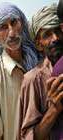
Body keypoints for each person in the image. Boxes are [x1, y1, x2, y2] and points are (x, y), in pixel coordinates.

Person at [0, 2, 39, 140]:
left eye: (14, 22)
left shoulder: (39, 61)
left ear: (22, 23)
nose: (12, 33)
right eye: (3, 27)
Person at [18, 3, 63, 140]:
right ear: (38, 44)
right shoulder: (32, 80)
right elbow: (29, 136)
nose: (55, 38)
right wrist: (54, 108)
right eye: (47, 35)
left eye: (57, 32)